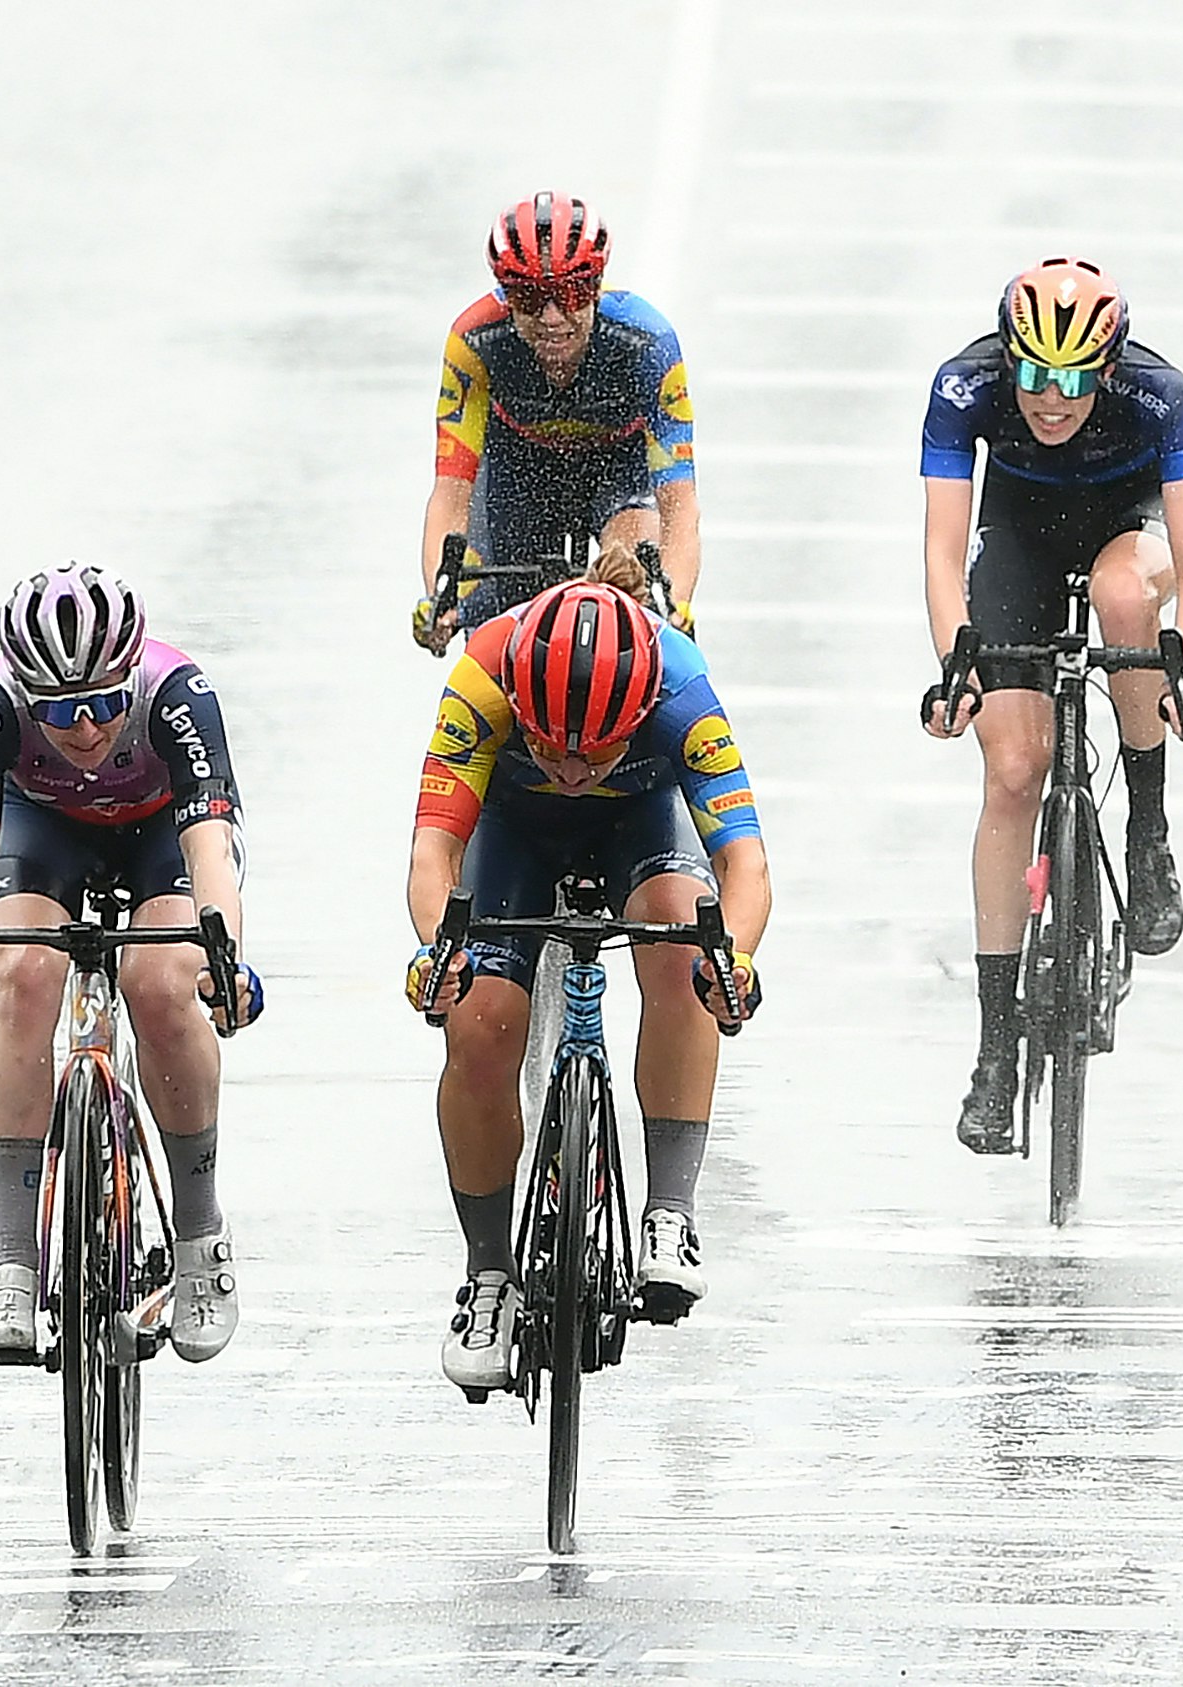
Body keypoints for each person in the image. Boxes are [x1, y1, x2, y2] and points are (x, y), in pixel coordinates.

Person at [406, 560, 769, 1393]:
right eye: (548, 745)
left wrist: (735, 958)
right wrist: (439, 949)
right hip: (514, 832)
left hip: (641, 822)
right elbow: (434, 851)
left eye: (594, 750)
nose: (570, 769)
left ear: (639, 711)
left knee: (689, 945)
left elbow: (743, 860)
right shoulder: (482, 674)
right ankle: (489, 1273)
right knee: (481, 1022)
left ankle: (670, 1212)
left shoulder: (681, 683)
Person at [0, 565, 261, 1364]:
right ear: (26, 696)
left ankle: (201, 1232)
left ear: (131, 676)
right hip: (44, 829)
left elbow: (210, 852)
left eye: (105, 705)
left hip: (161, 831)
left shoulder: (180, 695)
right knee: (26, 976)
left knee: (163, 981)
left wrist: (224, 961)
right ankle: (15, 1264)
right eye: (61, 713)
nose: (87, 730)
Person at [919, 258, 1183, 1154]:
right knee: (1014, 769)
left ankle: (1148, 832)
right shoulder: (965, 385)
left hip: (1127, 534)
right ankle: (995, 1049)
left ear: (1112, 365)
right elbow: (943, 553)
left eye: (1076, 378)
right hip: (1018, 540)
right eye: (1036, 374)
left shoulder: (1162, 396)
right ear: (1007, 357)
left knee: (1127, 599)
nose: (1053, 398)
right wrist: (955, 662)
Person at [414, 192, 702, 652]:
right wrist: (439, 594)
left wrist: (675, 603)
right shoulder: (475, 340)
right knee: (492, 634)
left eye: (571, 293)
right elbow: (451, 495)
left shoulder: (647, 342)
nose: (552, 318)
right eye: (528, 297)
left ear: (597, 287)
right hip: (519, 472)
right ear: (506, 296)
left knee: (634, 592)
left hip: (618, 470)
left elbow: (680, 506)